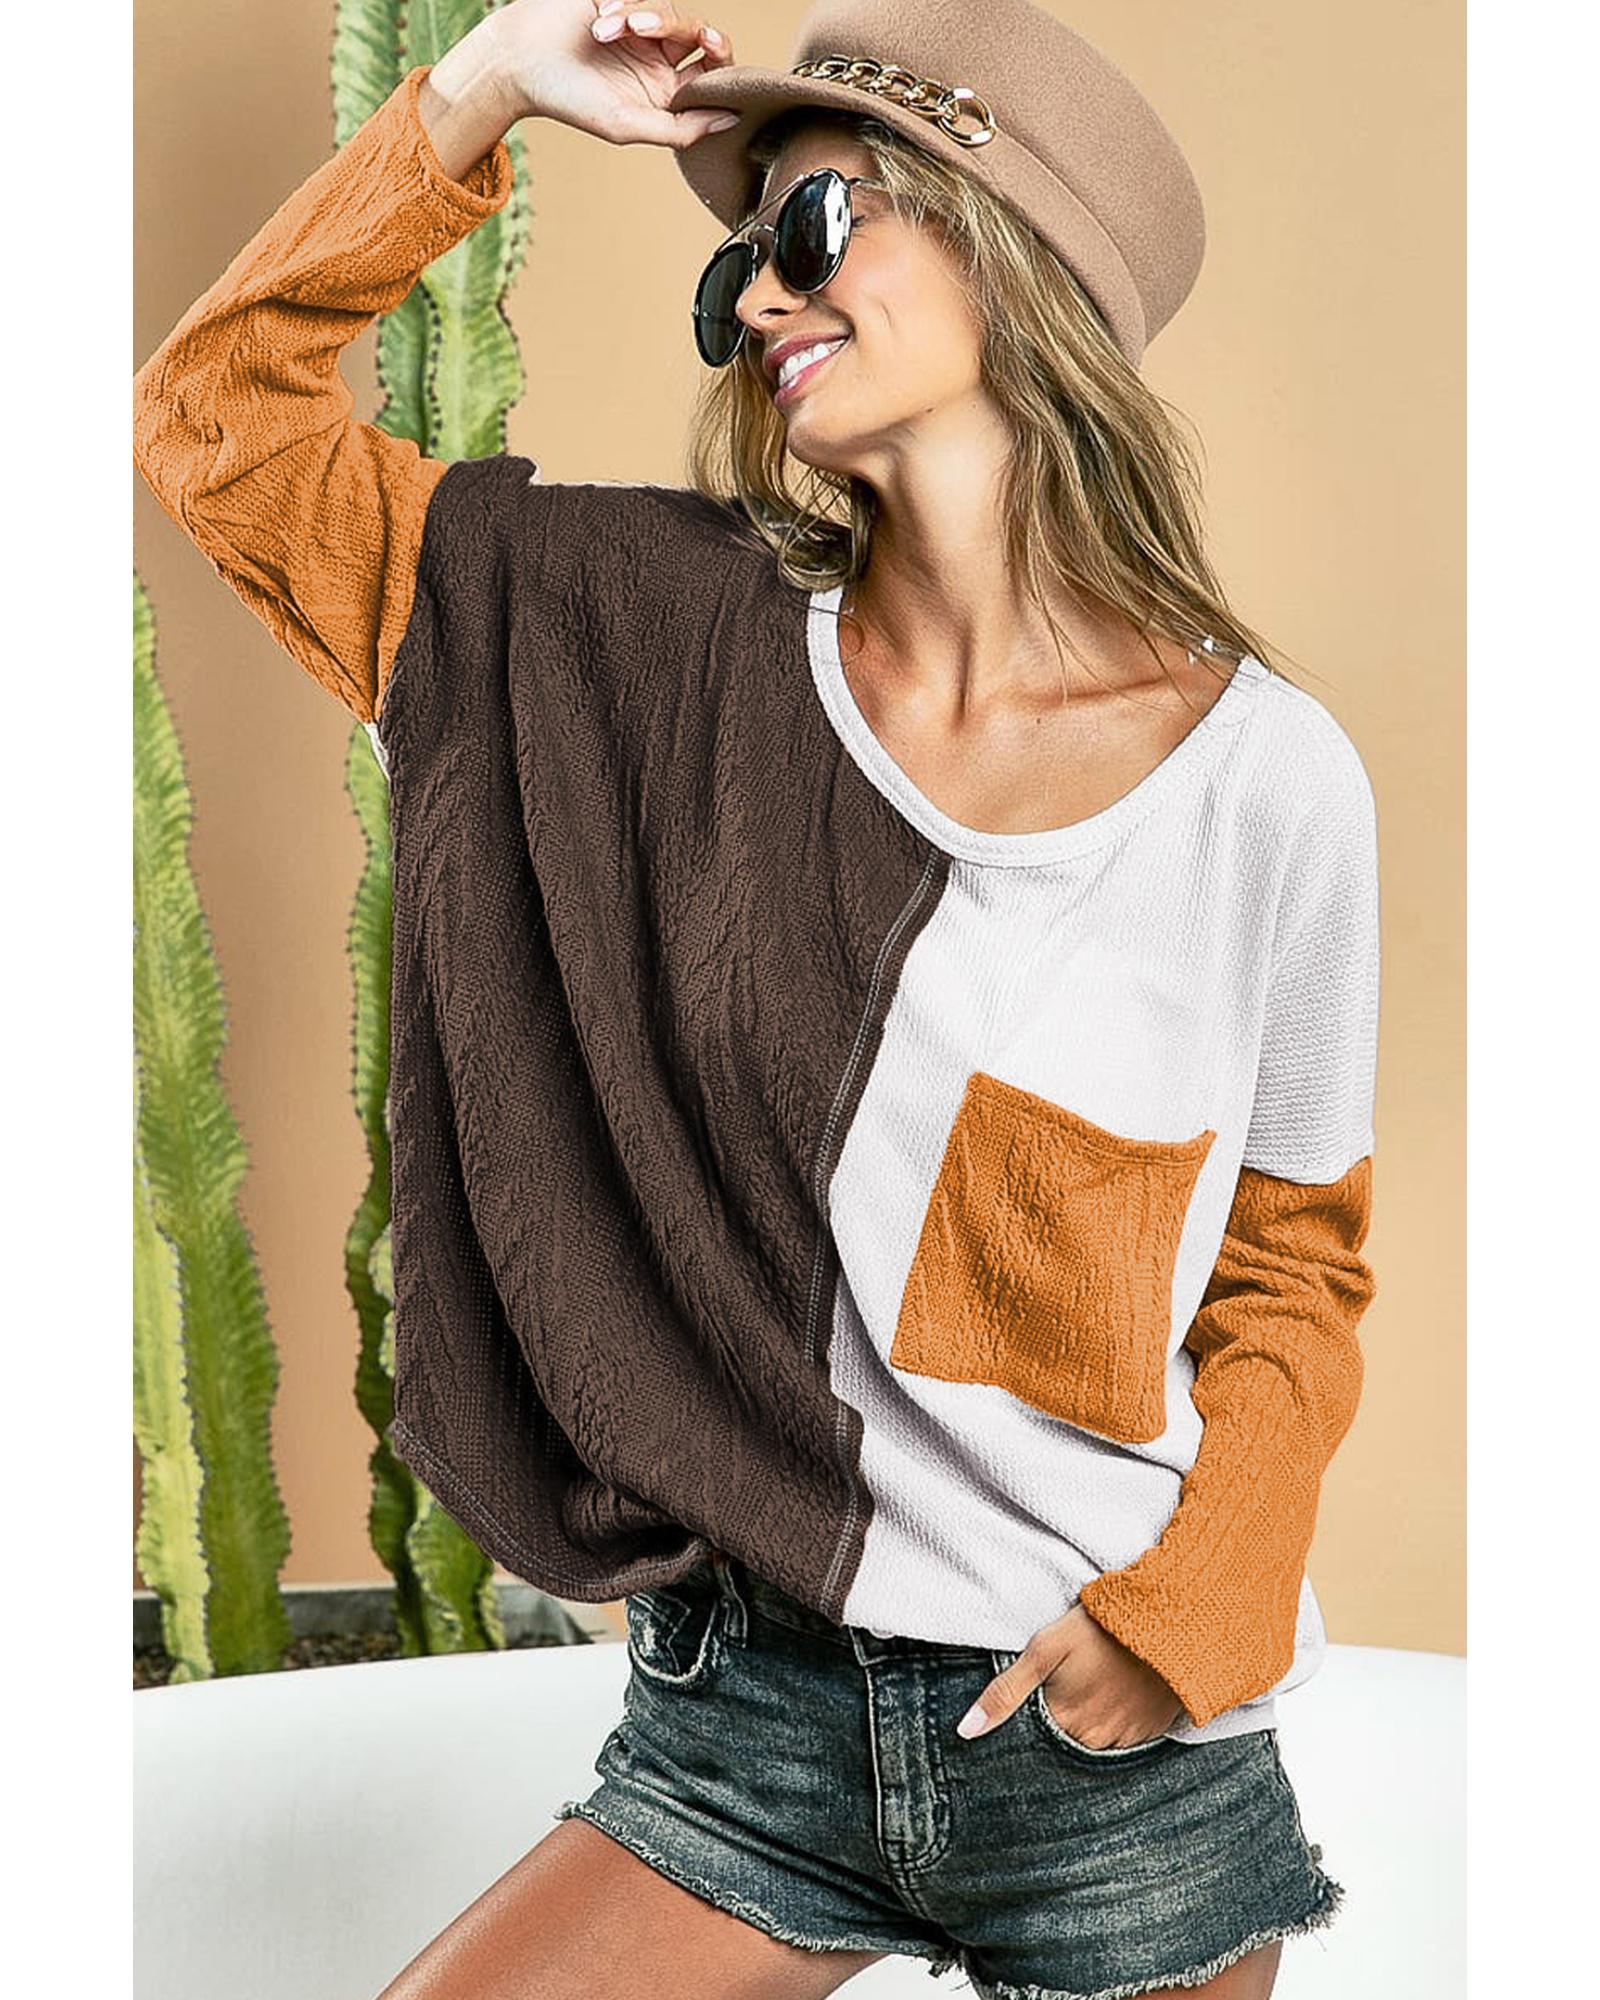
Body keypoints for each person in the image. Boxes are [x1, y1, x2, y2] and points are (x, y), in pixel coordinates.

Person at [132, 4, 1381, 1996]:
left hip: (1106, 1744)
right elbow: (218, 418)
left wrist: (1186, 1619)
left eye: (809, 225)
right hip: (744, 1721)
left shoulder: (1264, 781)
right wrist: (480, 90)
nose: (758, 298)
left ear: (1012, 244)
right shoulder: (631, 639)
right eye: (737, 270)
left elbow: (1290, 1262)